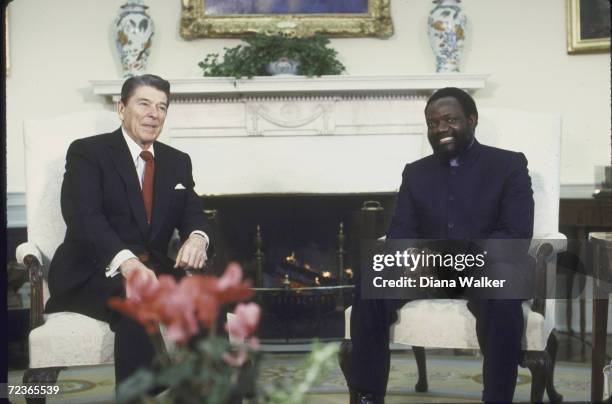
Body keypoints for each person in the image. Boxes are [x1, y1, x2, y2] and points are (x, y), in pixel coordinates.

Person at [349, 87, 534, 403]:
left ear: (472, 120)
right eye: (433, 123)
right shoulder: (416, 172)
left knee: (503, 300)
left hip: (485, 268)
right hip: (429, 271)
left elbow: (516, 232)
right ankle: (367, 396)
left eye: (450, 119)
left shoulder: (508, 166)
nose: (440, 129)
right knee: (370, 282)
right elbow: (401, 234)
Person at [45, 74, 211, 385]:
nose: (154, 114)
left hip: (154, 268)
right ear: (122, 109)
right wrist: (127, 263)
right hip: (91, 271)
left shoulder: (177, 161)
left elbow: (194, 214)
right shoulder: (88, 152)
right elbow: (83, 216)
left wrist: (198, 238)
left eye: (162, 107)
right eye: (144, 104)